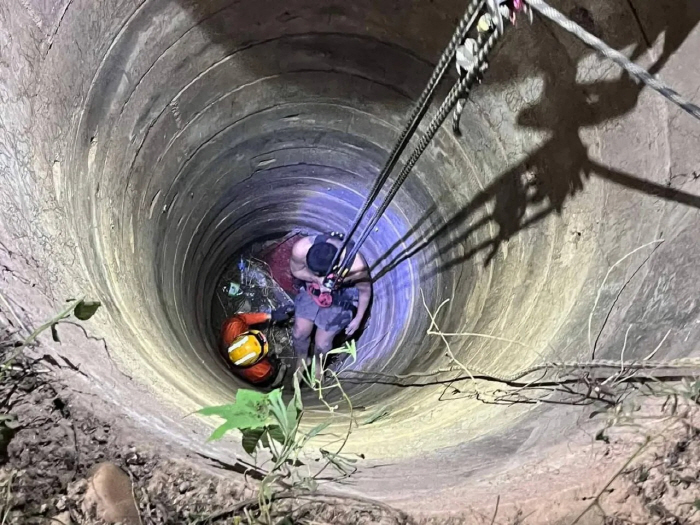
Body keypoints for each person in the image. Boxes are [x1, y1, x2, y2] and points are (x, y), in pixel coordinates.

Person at [289, 232, 372, 371]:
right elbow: (296, 271)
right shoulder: (301, 248)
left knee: (322, 343)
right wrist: (316, 279)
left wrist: (358, 319)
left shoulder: (356, 266)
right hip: (313, 288)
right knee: (299, 332)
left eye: (319, 273)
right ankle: (302, 358)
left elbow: (365, 292)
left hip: (343, 295)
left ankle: (318, 366)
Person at [220, 307, 291, 387]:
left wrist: (268, 316)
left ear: (242, 336)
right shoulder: (261, 371)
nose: (263, 335)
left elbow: (243, 318)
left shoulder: (233, 326)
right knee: (275, 369)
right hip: (247, 372)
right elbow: (268, 372)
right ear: (257, 361)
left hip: (224, 351)